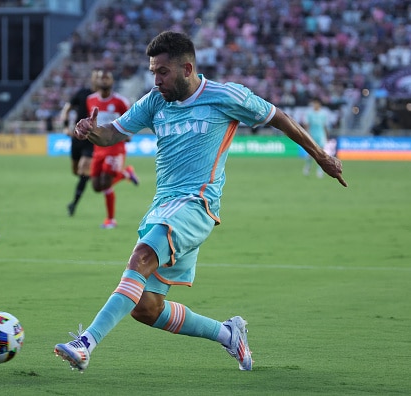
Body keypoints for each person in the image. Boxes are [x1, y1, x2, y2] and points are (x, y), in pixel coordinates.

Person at [54, 31, 347, 372]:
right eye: (153, 71)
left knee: (141, 257)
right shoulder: (154, 101)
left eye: (162, 71)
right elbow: (114, 133)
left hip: (197, 205)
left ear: (187, 68)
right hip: (163, 207)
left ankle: (86, 342)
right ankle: (227, 334)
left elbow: (278, 117)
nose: (156, 79)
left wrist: (321, 155)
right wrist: (91, 130)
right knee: (145, 307)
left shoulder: (226, 96)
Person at [85, 68, 139, 229]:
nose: (104, 80)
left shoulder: (120, 102)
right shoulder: (90, 100)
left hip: (115, 146)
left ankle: (111, 219)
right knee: (96, 186)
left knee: (106, 183)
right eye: (101, 78)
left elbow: (130, 119)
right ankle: (125, 174)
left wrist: (128, 134)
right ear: (97, 81)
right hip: (98, 148)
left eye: (107, 78)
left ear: (112, 81)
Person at [60, 69, 98, 217]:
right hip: (77, 137)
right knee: (77, 172)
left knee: (83, 169)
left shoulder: (103, 98)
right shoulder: (82, 93)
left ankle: (73, 204)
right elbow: (67, 108)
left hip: (91, 138)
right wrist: (65, 126)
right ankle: (117, 174)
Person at [303, 98, 330, 178]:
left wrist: (327, 136)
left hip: (321, 136)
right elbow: (307, 125)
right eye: (314, 104)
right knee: (311, 153)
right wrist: (307, 135)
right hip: (312, 136)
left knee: (321, 154)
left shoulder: (323, 114)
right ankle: (307, 167)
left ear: (319, 104)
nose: (315, 105)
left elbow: (325, 126)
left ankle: (320, 171)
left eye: (316, 104)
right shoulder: (310, 114)